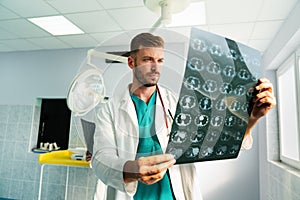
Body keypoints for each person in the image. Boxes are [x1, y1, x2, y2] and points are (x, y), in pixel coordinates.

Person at [91, 32, 276, 200]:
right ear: (132, 63)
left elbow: (216, 142)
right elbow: (100, 159)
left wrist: (251, 120)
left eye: (160, 60)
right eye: (148, 59)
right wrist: (131, 170)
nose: (155, 67)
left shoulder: (178, 104)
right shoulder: (109, 110)